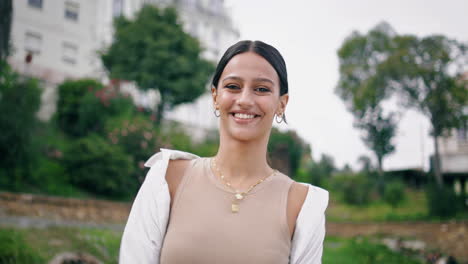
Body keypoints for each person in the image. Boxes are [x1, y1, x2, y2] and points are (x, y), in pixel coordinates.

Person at [119, 40, 329, 264]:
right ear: (215, 97)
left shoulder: (303, 205)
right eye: (233, 86)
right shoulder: (166, 178)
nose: (245, 100)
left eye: (261, 89)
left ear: (282, 104)